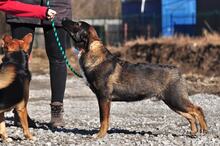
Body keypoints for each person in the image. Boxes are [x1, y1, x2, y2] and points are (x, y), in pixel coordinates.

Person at [6, 0, 72, 128]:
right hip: (23, 3)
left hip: (57, 4)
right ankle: (19, 110)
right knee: (19, 59)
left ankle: (57, 110)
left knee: (58, 58)